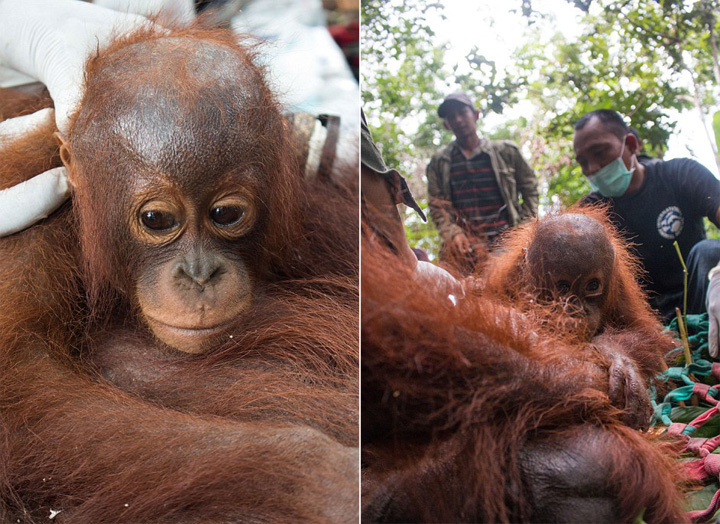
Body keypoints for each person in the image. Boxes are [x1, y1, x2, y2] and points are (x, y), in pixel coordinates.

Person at [574, 109, 720, 348]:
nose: (591, 168)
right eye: (582, 162)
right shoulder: (591, 211)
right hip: (640, 324)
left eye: (599, 152)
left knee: (709, 252)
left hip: (700, 305)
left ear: (631, 144)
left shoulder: (678, 175)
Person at [426, 92, 539, 275]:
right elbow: (437, 205)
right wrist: (453, 234)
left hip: (507, 245)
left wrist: (523, 229)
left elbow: (530, 189)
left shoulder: (506, 152)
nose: (458, 119)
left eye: (462, 112)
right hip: (464, 252)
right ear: (447, 124)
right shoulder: (440, 162)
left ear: (476, 115)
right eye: (451, 116)